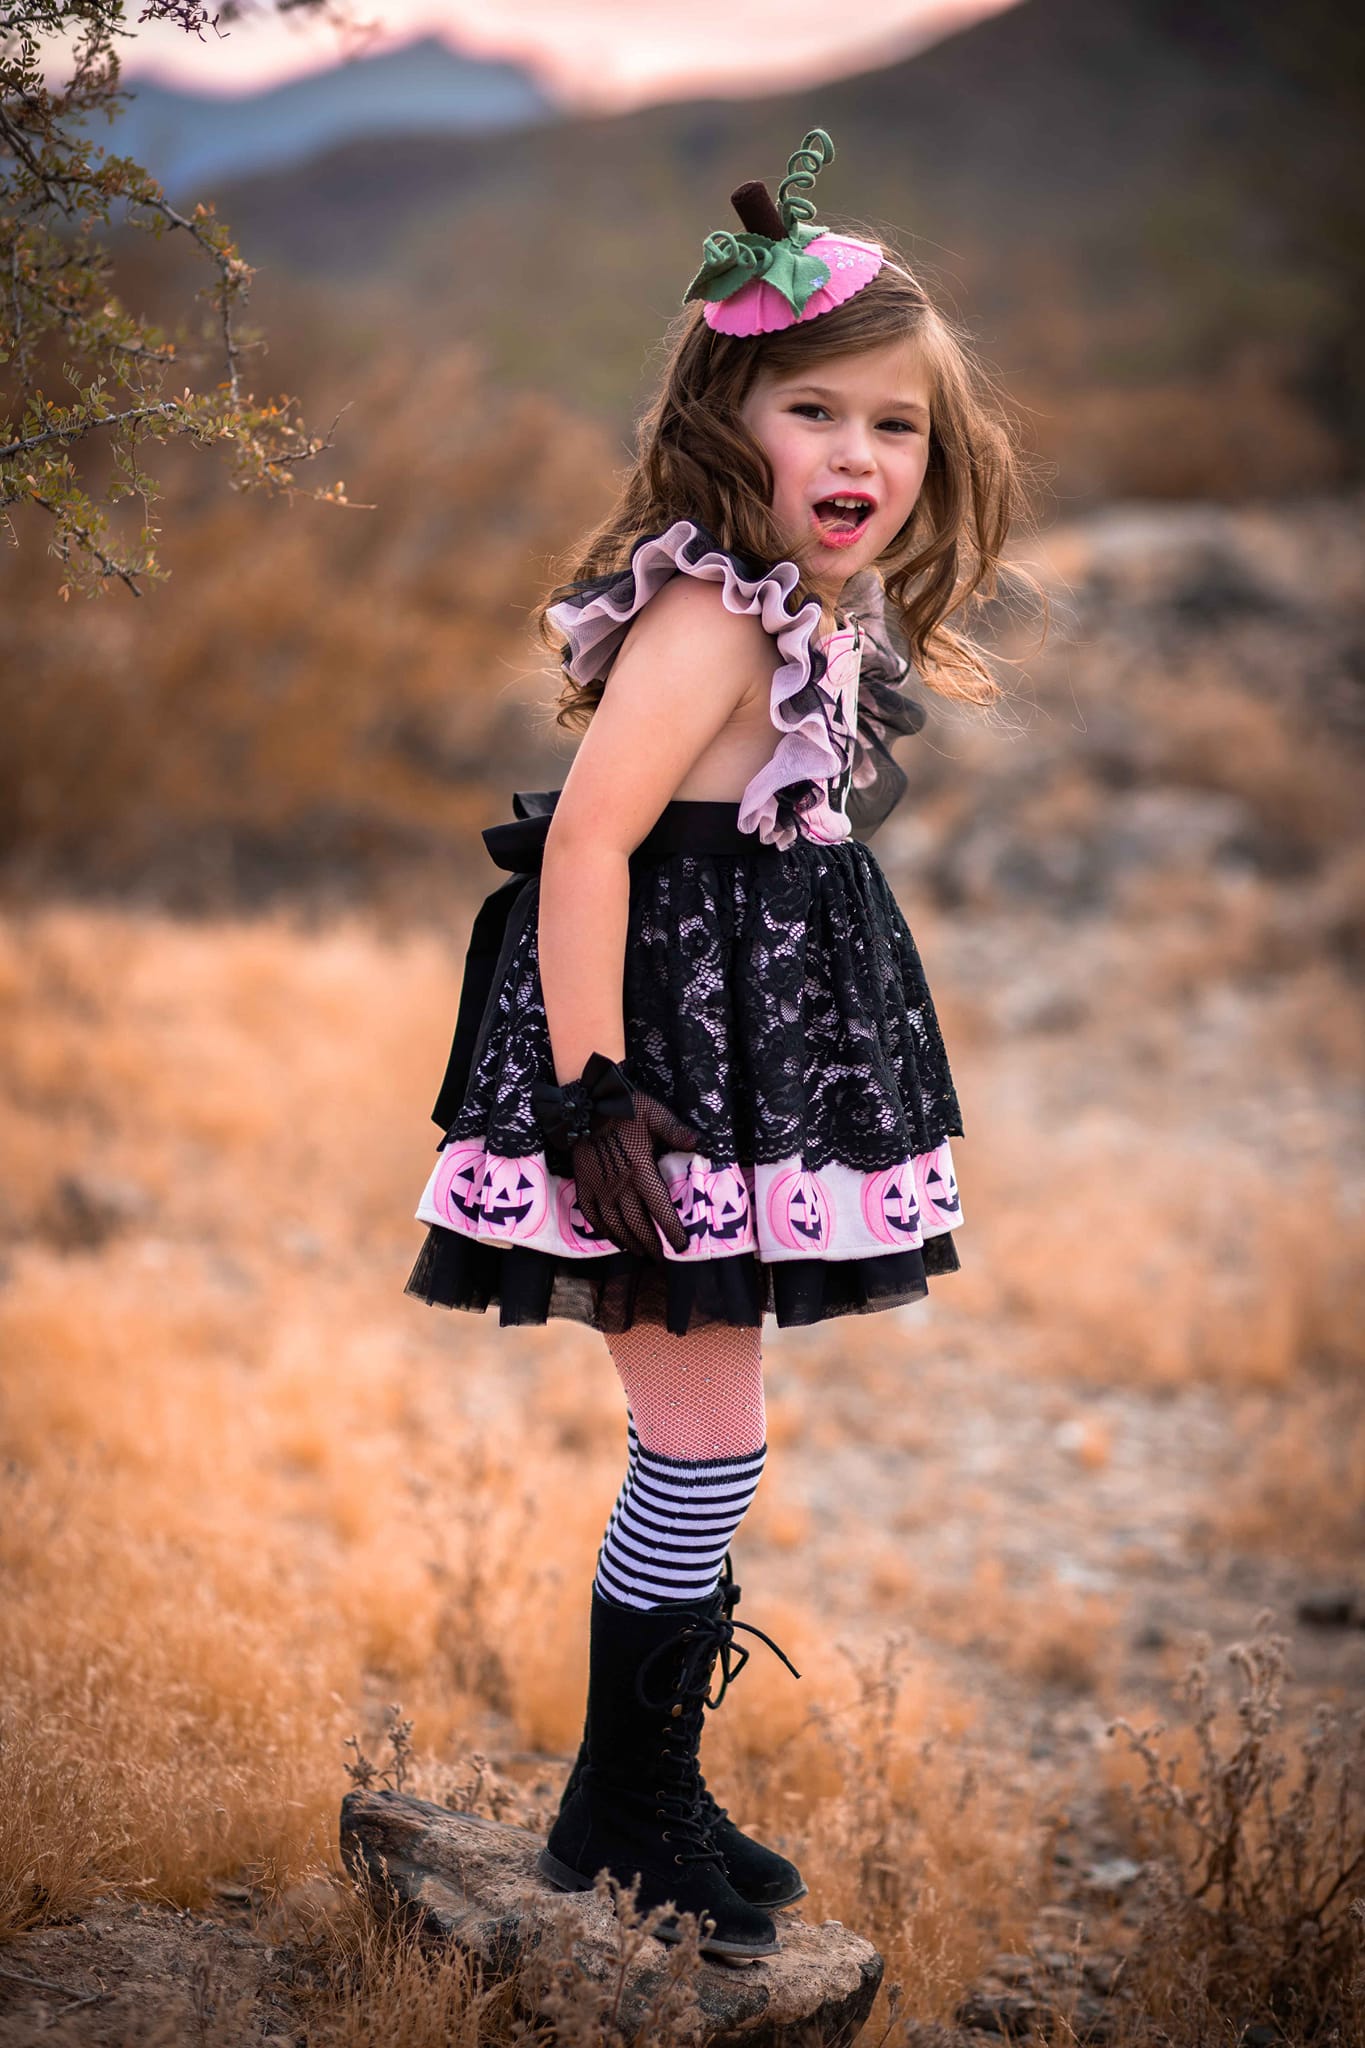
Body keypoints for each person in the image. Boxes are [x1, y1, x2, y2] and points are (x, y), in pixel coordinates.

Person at [405, 128, 1033, 1962]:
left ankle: (638, 1786)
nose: (857, 456)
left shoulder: (789, 611)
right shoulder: (704, 611)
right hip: (667, 1089)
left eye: (894, 427)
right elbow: (586, 842)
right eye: (815, 413)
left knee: (709, 1444)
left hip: (741, 1078)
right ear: (724, 426)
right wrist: (606, 1101)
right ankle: (627, 1807)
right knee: (700, 1450)